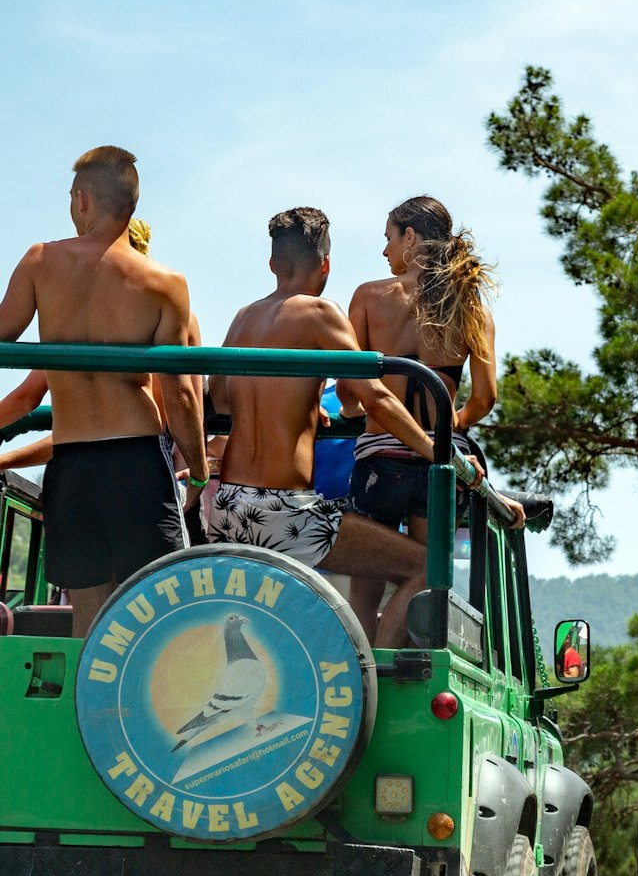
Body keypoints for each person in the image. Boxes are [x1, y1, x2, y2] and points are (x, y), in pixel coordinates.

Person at [208, 207, 515, 649]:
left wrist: (303, 408)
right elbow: (375, 397)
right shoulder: (322, 314)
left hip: (228, 504)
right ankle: (373, 669)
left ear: (273, 264)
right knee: (429, 566)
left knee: (364, 570)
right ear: (326, 265)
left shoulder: (242, 319)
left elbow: (219, 401)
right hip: (284, 513)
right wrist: (438, 449)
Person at [0, 146, 206, 635]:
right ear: (132, 207)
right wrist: (197, 470)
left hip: (71, 462)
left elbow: (3, 334)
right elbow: (178, 392)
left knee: (88, 620)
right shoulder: (165, 282)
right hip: (137, 461)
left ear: (82, 199)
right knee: (155, 614)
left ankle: (86, 713)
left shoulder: (40, 260)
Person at [343, 196, 498, 645]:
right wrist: (454, 424)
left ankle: (362, 669)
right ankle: (393, 664)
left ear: (410, 237)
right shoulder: (471, 306)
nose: (385, 251)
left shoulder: (370, 297)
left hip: (381, 456)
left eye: (389, 238)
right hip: (441, 464)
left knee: (366, 579)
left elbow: (352, 390)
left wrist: (353, 413)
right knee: (428, 575)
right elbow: (486, 397)